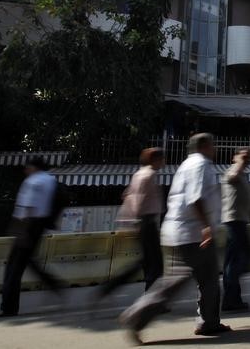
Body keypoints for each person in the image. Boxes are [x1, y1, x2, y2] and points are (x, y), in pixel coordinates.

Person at [120, 133, 231, 342]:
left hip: (180, 231)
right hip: (193, 233)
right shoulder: (201, 165)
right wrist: (206, 226)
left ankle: (209, 322)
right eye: (213, 145)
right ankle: (136, 316)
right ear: (205, 146)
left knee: (208, 281)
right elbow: (195, 197)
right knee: (176, 281)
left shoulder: (187, 164)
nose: (215, 149)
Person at [0, 156, 64, 318]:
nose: (25, 170)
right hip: (39, 225)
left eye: (27, 167)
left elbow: (28, 206)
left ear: (33, 167)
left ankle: (8, 307)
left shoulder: (33, 182)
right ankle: (54, 284)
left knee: (13, 267)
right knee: (28, 260)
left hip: (27, 224)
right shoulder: (51, 181)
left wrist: (20, 229)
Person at [94, 147, 165, 303]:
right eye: (161, 159)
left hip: (142, 221)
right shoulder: (149, 175)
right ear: (155, 160)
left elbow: (127, 194)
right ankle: (150, 298)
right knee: (155, 263)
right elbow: (138, 200)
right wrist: (140, 219)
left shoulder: (139, 174)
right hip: (146, 221)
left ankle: (149, 296)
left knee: (148, 262)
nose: (163, 162)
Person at [221, 147, 250, 312]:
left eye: (248, 157)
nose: (247, 159)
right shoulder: (232, 170)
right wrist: (240, 162)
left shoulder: (241, 173)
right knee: (237, 260)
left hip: (239, 221)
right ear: (234, 157)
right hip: (234, 221)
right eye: (243, 156)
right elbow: (232, 176)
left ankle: (233, 298)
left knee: (237, 260)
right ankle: (230, 299)